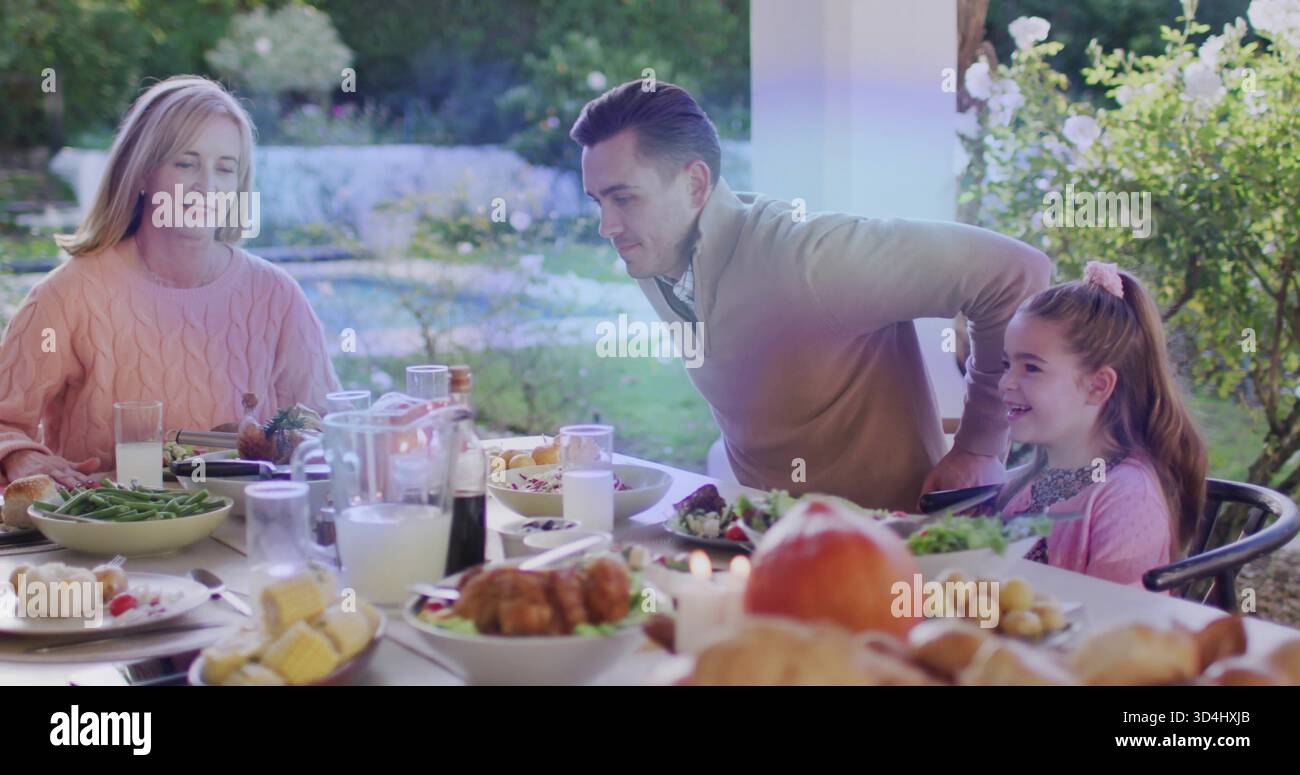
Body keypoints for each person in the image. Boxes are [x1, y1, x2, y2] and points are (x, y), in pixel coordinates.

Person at [570, 80, 1051, 510]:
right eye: (599, 201)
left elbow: (1015, 273)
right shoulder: (658, 256)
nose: (606, 226)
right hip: (766, 541)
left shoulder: (810, 258)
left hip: (894, 553)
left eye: (624, 198)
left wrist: (980, 447)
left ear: (695, 184)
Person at [0, 76, 340, 488]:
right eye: (185, 163)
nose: (206, 186)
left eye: (225, 168)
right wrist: (18, 459)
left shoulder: (278, 297)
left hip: (243, 538)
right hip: (105, 540)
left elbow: (327, 435)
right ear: (141, 173)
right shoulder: (68, 295)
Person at [996, 261, 1207, 585]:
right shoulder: (1032, 480)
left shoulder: (1129, 499)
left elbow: (1114, 623)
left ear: (1097, 386)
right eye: (1007, 364)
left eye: (1031, 368)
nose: (1005, 383)